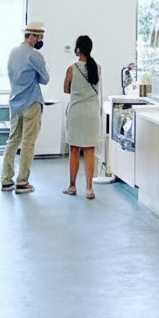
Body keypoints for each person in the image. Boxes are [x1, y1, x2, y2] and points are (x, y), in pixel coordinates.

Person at [0, 21, 49, 194]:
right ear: (33, 36)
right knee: (28, 143)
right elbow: (45, 79)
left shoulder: (13, 52)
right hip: (31, 102)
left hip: (15, 102)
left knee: (12, 141)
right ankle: (22, 182)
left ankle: (6, 180)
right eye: (40, 37)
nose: (41, 41)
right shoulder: (35, 56)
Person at [63, 34, 101, 199]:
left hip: (77, 113)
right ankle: (89, 188)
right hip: (92, 113)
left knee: (74, 149)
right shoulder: (97, 67)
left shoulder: (72, 68)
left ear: (78, 49)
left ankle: (72, 186)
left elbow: (66, 89)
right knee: (90, 150)